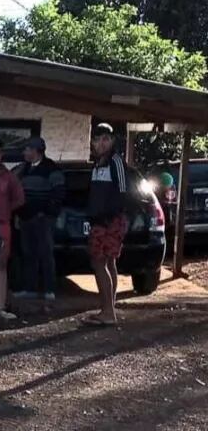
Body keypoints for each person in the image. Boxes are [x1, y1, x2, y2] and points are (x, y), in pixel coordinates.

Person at [83, 124, 129, 326]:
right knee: (108, 263)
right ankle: (108, 307)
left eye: (105, 139)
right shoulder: (97, 164)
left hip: (109, 221)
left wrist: (108, 217)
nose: (101, 143)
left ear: (112, 140)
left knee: (99, 263)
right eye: (97, 139)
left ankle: (108, 312)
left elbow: (122, 192)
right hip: (99, 220)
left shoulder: (115, 162)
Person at [14, 137, 65, 301]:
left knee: (45, 253)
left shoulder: (51, 169)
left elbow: (59, 194)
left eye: (27, 149)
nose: (24, 153)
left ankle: (49, 289)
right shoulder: (24, 169)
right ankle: (30, 288)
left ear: (36, 151)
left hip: (43, 218)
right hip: (25, 217)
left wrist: (47, 213)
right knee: (28, 253)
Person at [0, 138, 25, 320]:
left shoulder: (9, 176)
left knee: (0, 265)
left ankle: (1, 307)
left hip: (2, 224)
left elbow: (19, 199)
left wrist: (5, 210)